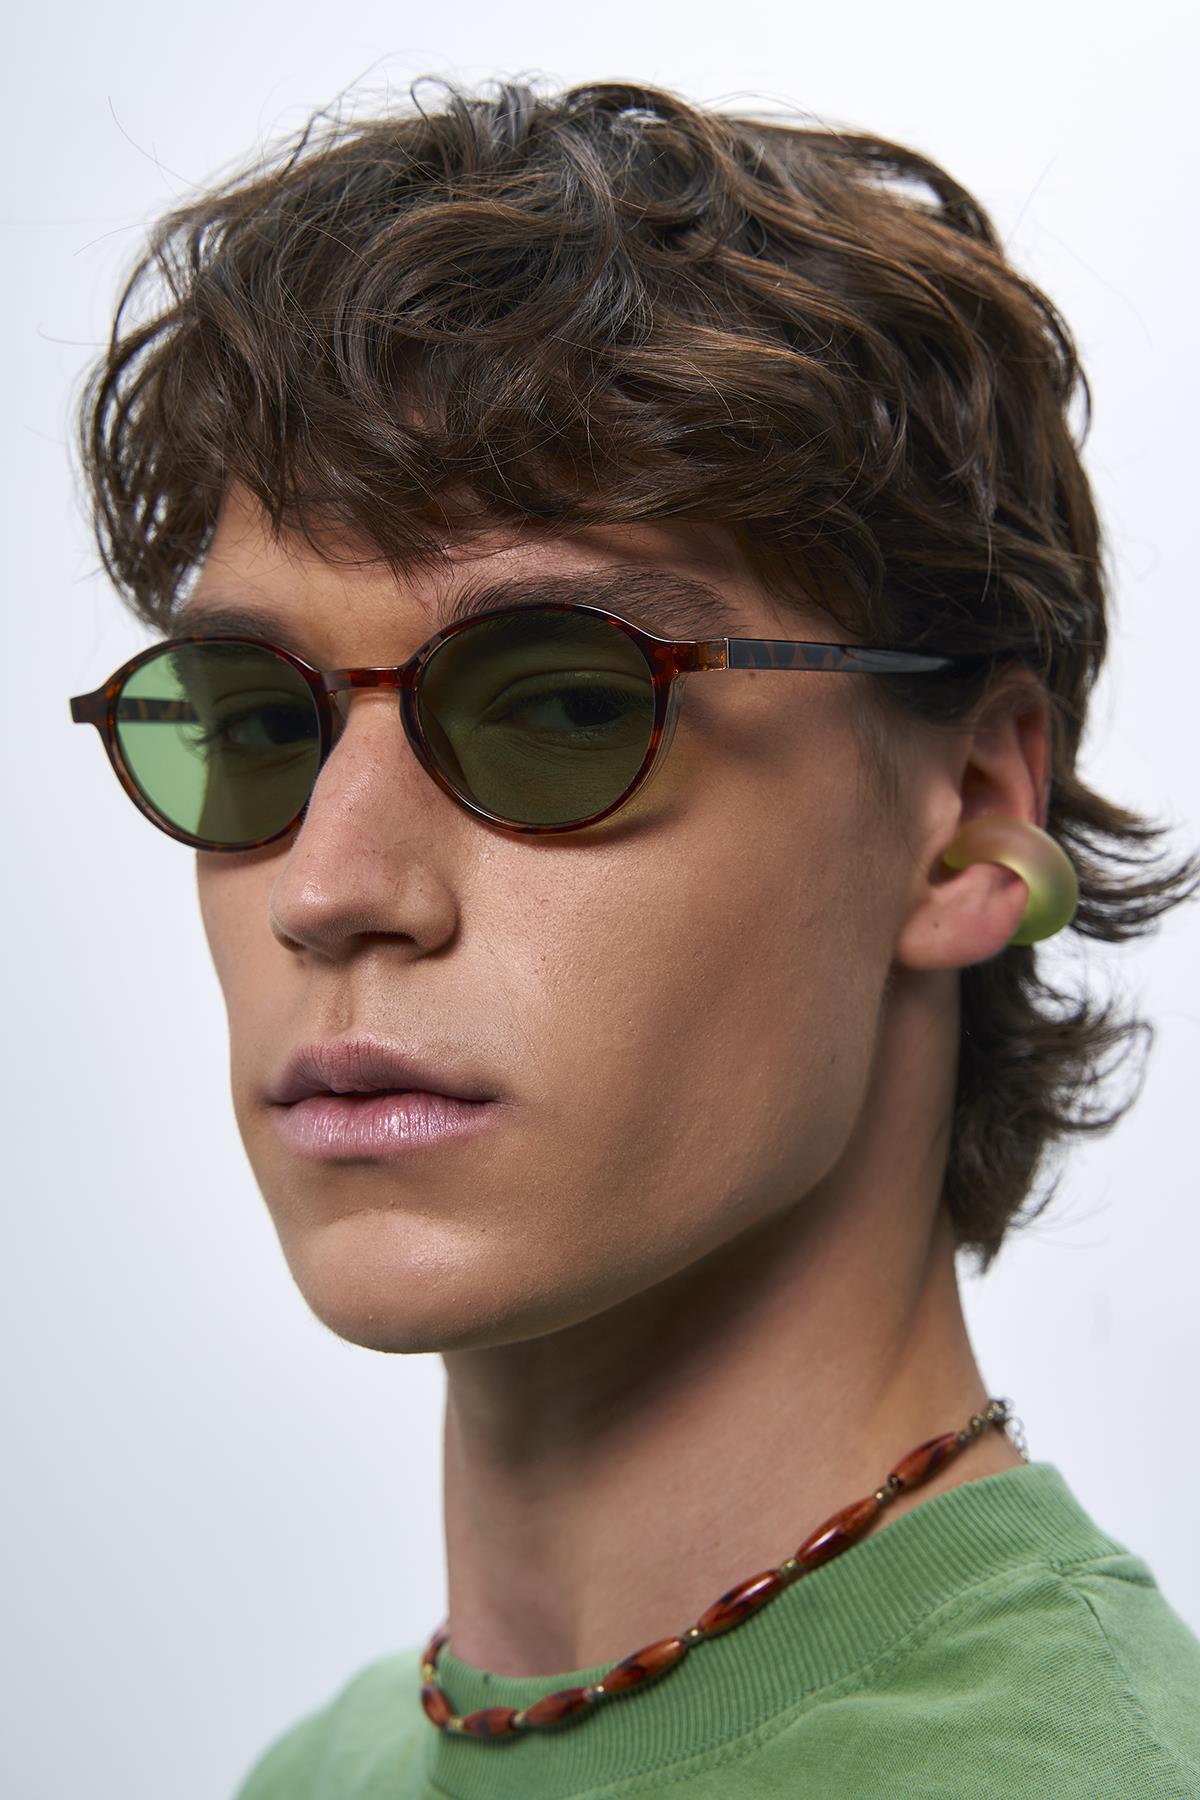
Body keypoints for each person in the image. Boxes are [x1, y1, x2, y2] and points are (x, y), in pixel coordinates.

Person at [71, 77, 1200, 1799]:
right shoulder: (314, 1775)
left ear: (972, 814)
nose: (326, 886)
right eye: (260, 721)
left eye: (565, 706)